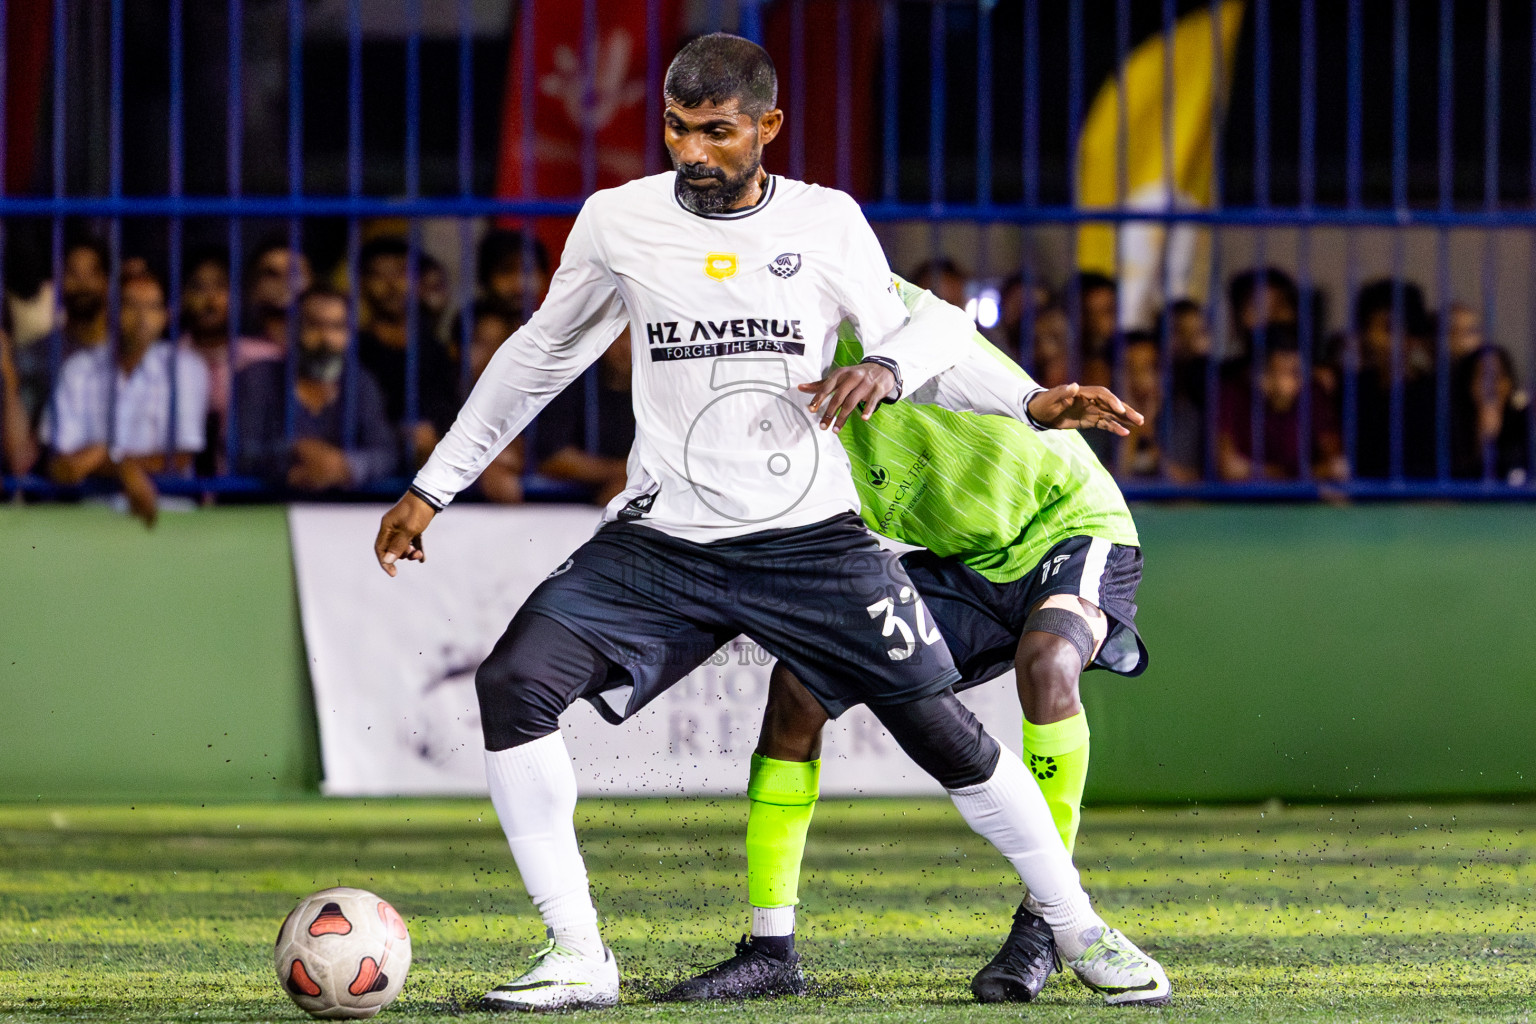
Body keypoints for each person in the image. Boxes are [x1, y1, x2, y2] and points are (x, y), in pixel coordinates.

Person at [372, 32, 1169, 1012]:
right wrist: (435, 484)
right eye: (676, 129)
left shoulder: (826, 225)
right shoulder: (617, 222)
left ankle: (1078, 927)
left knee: (945, 734)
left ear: (767, 128)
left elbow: (919, 326)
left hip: (815, 545)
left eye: (716, 131)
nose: (693, 151)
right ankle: (579, 953)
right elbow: (542, 353)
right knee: (514, 684)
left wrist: (1024, 399)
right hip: (667, 536)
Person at [664, 276, 1154, 1006]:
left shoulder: (857, 308)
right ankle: (771, 950)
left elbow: (948, 327)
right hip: (963, 566)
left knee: (1049, 662)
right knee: (798, 688)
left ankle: (1044, 925)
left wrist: (908, 373)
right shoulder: (760, 417)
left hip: (1068, 521)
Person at [40, 271, 208, 527]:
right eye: (131, 305)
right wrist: (123, 467)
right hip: (90, 517)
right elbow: (64, 465)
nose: (142, 318)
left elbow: (181, 456)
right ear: (109, 311)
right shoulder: (78, 370)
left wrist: (112, 460)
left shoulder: (185, 368)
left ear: (166, 316)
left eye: (152, 307)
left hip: (167, 513)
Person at [232, 286, 396, 492]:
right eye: (314, 325)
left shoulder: (360, 384)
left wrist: (344, 466)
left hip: (343, 510)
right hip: (268, 507)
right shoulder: (259, 378)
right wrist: (295, 454)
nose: (325, 338)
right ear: (293, 329)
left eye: (337, 327)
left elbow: (386, 453)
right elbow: (239, 450)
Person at [355, 235, 460, 468]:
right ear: (362, 283)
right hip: (372, 468)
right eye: (378, 274)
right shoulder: (355, 350)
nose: (391, 284)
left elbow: (451, 409)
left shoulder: (436, 350)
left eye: (400, 273)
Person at [178, 249, 283, 474]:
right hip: (177, 493)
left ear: (237, 296)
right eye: (198, 287)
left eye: (220, 286)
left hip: (247, 491)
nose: (210, 298)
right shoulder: (166, 362)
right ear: (182, 296)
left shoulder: (267, 358)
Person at [1215, 326, 1345, 482]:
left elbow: (1336, 466)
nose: (1289, 382)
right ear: (1255, 373)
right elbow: (1229, 469)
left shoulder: (1312, 394)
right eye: (1281, 372)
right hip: (1246, 499)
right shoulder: (1231, 394)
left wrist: (1259, 472)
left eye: (1296, 372)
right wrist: (1301, 475)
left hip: (1301, 498)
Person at [529, 329, 634, 505]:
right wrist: (625, 473)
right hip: (563, 504)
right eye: (618, 335)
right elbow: (552, 458)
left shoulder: (658, 389)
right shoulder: (575, 382)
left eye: (633, 336)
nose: (624, 346)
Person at [1450, 345, 1529, 484]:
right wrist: (1483, 440)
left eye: (1499, 376)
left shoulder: (1523, 421)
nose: (1492, 385)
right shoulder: (1451, 425)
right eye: (1484, 376)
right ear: (1469, 383)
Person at [243, 238, 313, 349]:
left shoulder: (333, 346)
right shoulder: (238, 352)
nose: (284, 281)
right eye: (272, 274)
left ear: (312, 281)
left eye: (294, 273)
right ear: (253, 286)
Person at [477, 228, 551, 328]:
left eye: (529, 270)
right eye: (506, 271)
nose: (519, 282)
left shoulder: (552, 323)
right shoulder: (475, 326)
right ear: (486, 276)